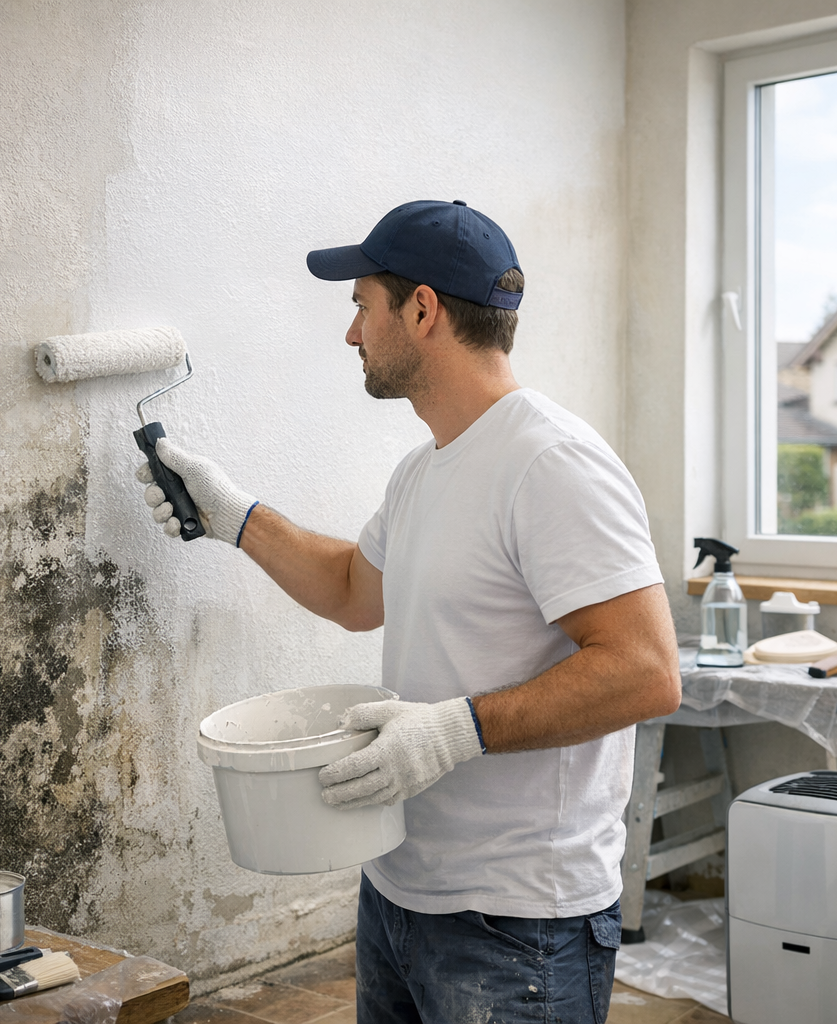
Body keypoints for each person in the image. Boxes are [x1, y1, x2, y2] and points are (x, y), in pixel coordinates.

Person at [138, 199, 681, 1023]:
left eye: (361, 305)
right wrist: (236, 516)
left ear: (421, 309)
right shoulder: (425, 470)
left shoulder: (552, 462)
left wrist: (455, 729)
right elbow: (358, 591)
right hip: (399, 888)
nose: (351, 334)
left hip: (517, 921)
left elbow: (645, 672)